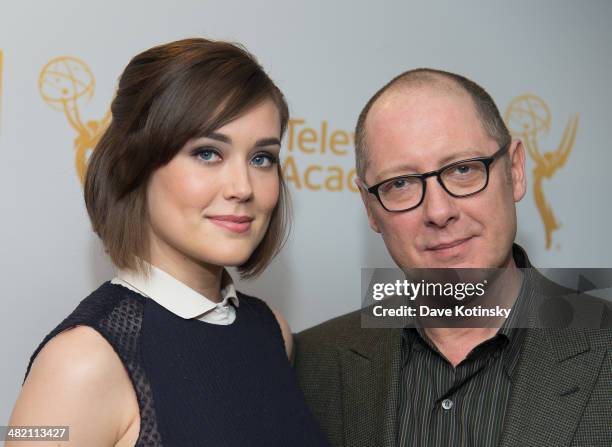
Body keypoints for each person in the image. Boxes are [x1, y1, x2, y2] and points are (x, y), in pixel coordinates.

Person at [8, 38, 329, 447]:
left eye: (261, 158)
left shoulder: (270, 330)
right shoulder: (81, 362)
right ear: (136, 165)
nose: (243, 187)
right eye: (208, 153)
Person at [294, 68, 611, 447]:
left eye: (463, 170)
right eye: (401, 183)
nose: (439, 212)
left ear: (515, 171)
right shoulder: (312, 366)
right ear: (370, 208)